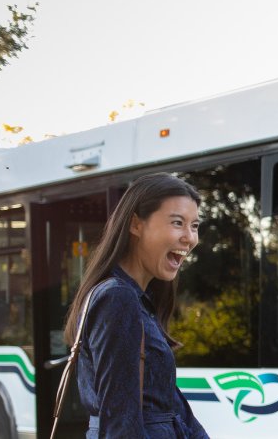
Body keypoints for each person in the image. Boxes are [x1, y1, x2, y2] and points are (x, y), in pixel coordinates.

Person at [62, 173, 208, 438]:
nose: (190, 238)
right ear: (135, 224)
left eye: (195, 225)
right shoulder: (117, 298)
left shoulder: (137, 299)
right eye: (177, 223)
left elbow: (170, 405)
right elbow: (120, 421)